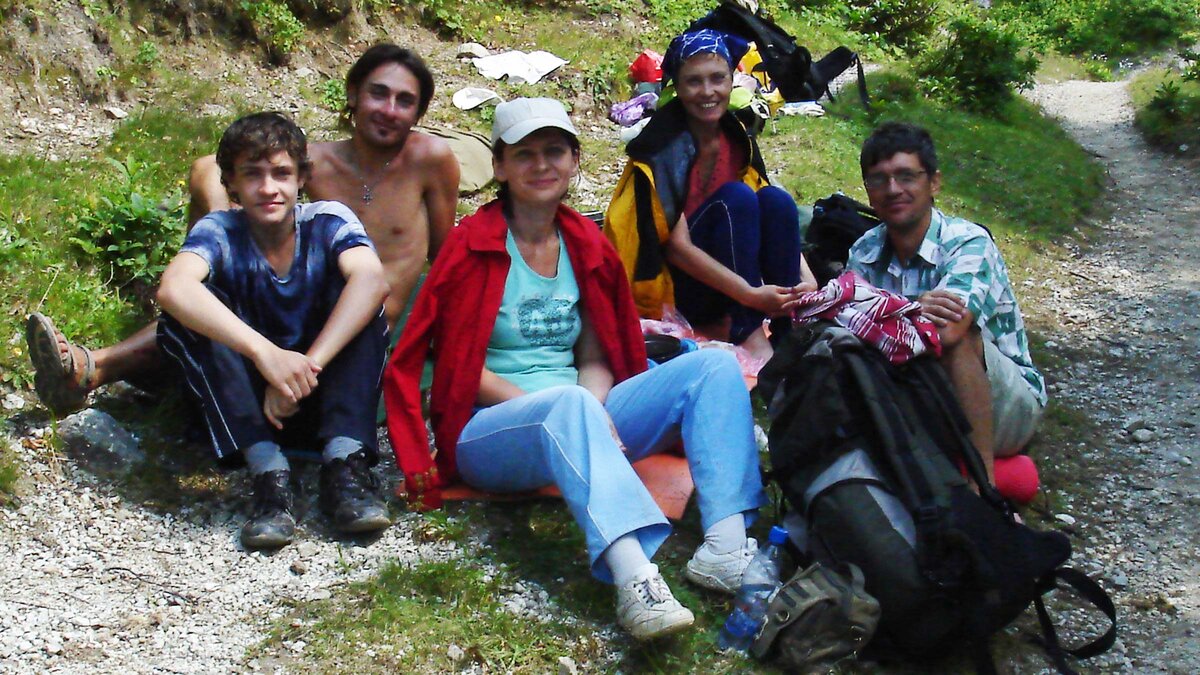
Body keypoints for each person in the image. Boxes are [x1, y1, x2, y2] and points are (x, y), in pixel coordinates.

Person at [383, 98, 766, 640]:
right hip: (491, 431)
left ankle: (725, 546)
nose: (542, 165)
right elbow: (455, 365)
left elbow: (594, 353)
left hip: (580, 411)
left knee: (713, 367)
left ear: (575, 160)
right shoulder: (474, 244)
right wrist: (578, 406)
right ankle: (636, 579)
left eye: (554, 152)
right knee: (567, 405)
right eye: (525, 154)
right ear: (500, 167)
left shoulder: (586, 243)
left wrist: (595, 404)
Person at [25, 43, 459, 415]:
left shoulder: (431, 161)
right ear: (352, 94)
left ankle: (97, 367)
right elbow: (207, 168)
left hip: (369, 337)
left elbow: (445, 259)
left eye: (405, 101)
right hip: (299, 320)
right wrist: (223, 220)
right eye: (378, 94)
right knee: (229, 298)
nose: (389, 110)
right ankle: (92, 369)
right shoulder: (314, 162)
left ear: (418, 111)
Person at [156, 112, 390, 549]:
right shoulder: (221, 231)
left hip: (321, 393)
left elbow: (373, 280)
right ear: (231, 183)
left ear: (301, 178)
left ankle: (346, 468)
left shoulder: (327, 220)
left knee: (361, 299)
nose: (268, 188)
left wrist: (303, 370)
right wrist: (267, 355)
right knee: (188, 315)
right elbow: (173, 289)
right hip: (250, 403)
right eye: (253, 175)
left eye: (281, 173)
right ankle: (268, 476)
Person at [846, 121, 1047, 483]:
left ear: (933, 183)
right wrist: (912, 309)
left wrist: (880, 314)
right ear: (868, 191)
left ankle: (982, 485)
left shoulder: (969, 242)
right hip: (914, 393)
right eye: (879, 180)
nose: (893, 190)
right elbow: (847, 325)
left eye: (907, 176)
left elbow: (948, 331)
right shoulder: (864, 251)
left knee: (959, 341)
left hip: (1008, 406)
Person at [605, 29, 816, 360]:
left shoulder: (736, 135)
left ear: (733, 79)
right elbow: (675, 249)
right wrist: (749, 296)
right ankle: (746, 331)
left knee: (776, 201)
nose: (708, 92)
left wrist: (808, 280)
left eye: (717, 79)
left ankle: (789, 320)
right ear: (677, 85)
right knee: (737, 199)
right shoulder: (660, 148)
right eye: (694, 81)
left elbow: (768, 201)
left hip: (732, 276)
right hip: (677, 286)